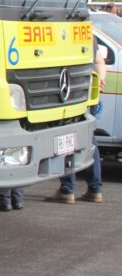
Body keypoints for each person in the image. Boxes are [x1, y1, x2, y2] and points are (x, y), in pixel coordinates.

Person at [46, 39, 106, 204]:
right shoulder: (85, 32)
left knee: (67, 140)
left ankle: (67, 190)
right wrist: (100, 82)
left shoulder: (60, 29)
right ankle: (95, 189)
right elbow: (100, 60)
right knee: (89, 140)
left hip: (66, 94)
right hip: (85, 94)